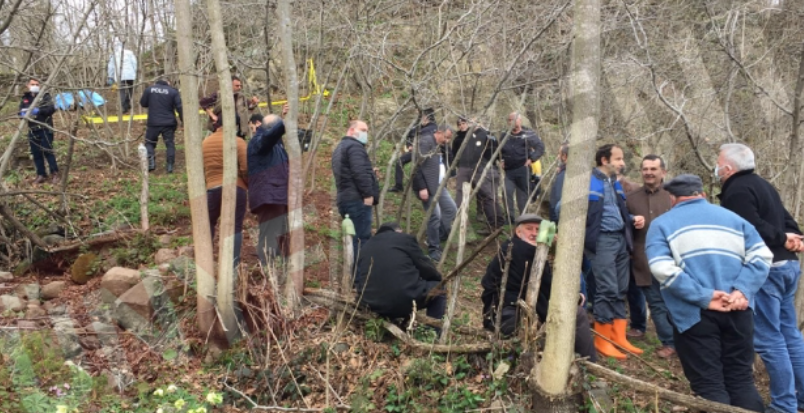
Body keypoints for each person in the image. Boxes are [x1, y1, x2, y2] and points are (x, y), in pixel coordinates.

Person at [646, 174, 771, 412]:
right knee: (741, 381)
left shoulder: (662, 224)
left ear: (672, 198)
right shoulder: (735, 219)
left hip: (694, 316)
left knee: (709, 385)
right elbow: (762, 256)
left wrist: (704, 296)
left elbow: (662, 268)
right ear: (701, 194)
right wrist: (741, 291)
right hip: (738, 310)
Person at [715, 143, 804, 413]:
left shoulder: (737, 191)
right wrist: (791, 238)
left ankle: (784, 406)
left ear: (728, 168)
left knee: (769, 339)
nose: (716, 168)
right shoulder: (764, 185)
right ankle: (799, 400)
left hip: (767, 269)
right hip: (788, 267)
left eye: (718, 163)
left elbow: (750, 228)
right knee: (789, 334)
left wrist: (782, 238)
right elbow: (788, 223)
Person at [481, 213, 597, 361]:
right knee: (577, 313)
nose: (534, 233)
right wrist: (573, 298)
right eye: (529, 229)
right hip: (509, 315)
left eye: (538, 230)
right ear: (518, 232)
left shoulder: (513, 247)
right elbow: (547, 287)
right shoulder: (521, 249)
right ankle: (589, 362)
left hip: (504, 312)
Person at [585, 144, 644, 359]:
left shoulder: (614, 184)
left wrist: (630, 220)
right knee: (607, 289)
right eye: (618, 159)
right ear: (604, 160)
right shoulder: (587, 181)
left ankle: (618, 337)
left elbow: (614, 211)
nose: (622, 163)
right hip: (602, 241)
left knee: (620, 289)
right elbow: (564, 208)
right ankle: (602, 340)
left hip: (620, 239)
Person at [625, 155, 674, 358]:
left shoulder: (674, 195)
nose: (649, 173)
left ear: (663, 171)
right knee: (656, 303)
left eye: (653, 169)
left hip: (673, 259)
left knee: (676, 303)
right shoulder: (631, 197)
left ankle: (687, 341)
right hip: (643, 259)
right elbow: (623, 225)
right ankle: (669, 343)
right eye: (645, 169)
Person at [354, 222, 446, 324]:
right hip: (402, 299)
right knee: (439, 289)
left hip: (369, 302)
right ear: (399, 231)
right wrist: (438, 279)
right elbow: (426, 267)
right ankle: (433, 333)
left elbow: (358, 278)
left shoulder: (366, 246)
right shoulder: (404, 239)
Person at [202, 114, 248, 269]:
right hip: (236, 187)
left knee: (209, 222)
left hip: (212, 188)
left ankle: (205, 259)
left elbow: (202, 168)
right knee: (235, 226)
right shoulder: (238, 142)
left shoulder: (205, 143)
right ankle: (233, 264)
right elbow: (246, 168)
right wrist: (247, 184)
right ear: (234, 126)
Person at [247, 112, 289, 265]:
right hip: (269, 197)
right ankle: (267, 274)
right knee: (269, 237)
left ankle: (283, 275)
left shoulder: (277, 147)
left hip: (278, 197)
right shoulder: (259, 141)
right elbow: (268, 138)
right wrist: (284, 121)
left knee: (283, 238)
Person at [332, 120, 379, 255]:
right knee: (361, 240)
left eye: (367, 131)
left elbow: (350, 171)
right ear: (352, 130)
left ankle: (353, 273)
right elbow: (358, 172)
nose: (366, 133)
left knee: (353, 240)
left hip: (345, 199)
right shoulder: (354, 147)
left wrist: (370, 172)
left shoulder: (340, 148)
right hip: (357, 200)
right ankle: (360, 275)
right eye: (363, 130)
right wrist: (368, 195)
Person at [452, 117, 506, 233]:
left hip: (482, 169)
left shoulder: (478, 136)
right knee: (493, 197)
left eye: (469, 123)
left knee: (487, 198)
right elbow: (498, 153)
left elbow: (475, 154)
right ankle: (498, 223)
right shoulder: (490, 135)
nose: (467, 126)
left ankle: (494, 225)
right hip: (493, 168)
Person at [413, 123, 457, 262]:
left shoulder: (439, 144)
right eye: (446, 137)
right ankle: (433, 248)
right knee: (435, 216)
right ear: (439, 132)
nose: (447, 141)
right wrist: (422, 187)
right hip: (427, 187)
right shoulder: (425, 142)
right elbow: (416, 166)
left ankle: (437, 236)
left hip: (439, 185)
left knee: (451, 209)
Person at [618, 171, 647, 340]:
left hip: (637, 248)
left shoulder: (633, 191)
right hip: (621, 248)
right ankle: (635, 324)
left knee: (637, 289)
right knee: (629, 289)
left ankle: (639, 324)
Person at [500, 112, 545, 222]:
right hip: (509, 171)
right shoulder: (505, 134)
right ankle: (510, 217)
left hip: (523, 170)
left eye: (515, 119)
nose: (512, 121)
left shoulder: (528, 134)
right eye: (510, 120)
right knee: (506, 192)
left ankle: (523, 219)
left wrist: (531, 159)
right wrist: (501, 159)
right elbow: (499, 149)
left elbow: (540, 147)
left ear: (520, 120)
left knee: (522, 197)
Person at [19, 78, 58, 185]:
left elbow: (52, 109)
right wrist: (22, 114)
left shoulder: (45, 96)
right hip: (32, 129)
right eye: (32, 84)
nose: (35, 86)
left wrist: (39, 111)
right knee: (36, 153)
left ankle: (54, 173)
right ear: (28, 85)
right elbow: (20, 110)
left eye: (37, 84)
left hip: (45, 128)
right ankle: (41, 174)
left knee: (48, 151)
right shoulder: (25, 98)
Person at [139, 77, 183, 173]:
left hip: (153, 122)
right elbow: (179, 106)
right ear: (168, 82)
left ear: (156, 82)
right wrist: (182, 120)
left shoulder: (149, 90)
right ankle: (170, 166)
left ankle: (151, 163)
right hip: (169, 123)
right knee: (169, 144)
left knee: (150, 142)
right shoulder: (173, 91)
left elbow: (143, 103)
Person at [390, 108, 437, 193]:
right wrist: (409, 145)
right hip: (415, 150)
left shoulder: (432, 128)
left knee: (420, 169)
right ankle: (399, 186)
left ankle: (423, 187)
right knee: (400, 161)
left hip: (426, 153)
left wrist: (414, 145)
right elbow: (410, 134)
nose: (421, 118)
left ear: (427, 117)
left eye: (422, 116)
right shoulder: (420, 126)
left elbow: (425, 139)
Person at [107, 43, 137, 113]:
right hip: (130, 74)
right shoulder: (129, 53)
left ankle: (123, 107)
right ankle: (127, 102)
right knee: (131, 89)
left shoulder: (113, 55)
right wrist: (134, 72)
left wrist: (110, 76)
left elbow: (110, 67)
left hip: (120, 75)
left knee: (122, 91)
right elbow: (134, 63)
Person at [549, 143, 569, 223]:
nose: (558, 157)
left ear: (564, 156)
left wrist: (555, 220)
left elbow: (557, 198)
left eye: (559, 154)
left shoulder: (565, 174)